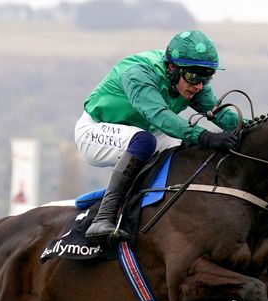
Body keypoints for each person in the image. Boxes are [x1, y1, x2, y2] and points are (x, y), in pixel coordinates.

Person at [75, 30, 242, 245]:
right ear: (172, 68)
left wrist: (255, 128)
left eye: (206, 77)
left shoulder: (193, 82)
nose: (199, 85)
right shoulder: (138, 73)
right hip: (94, 131)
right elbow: (161, 117)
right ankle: (103, 217)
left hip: (144, 132)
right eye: (193, 76)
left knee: (187, 149)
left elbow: (222, 115)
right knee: (145, 141)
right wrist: (207, 137)